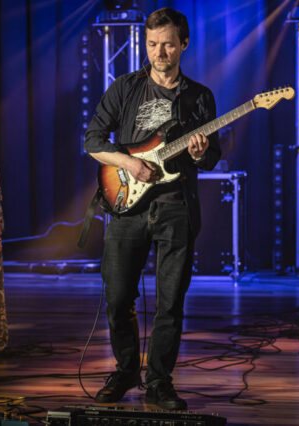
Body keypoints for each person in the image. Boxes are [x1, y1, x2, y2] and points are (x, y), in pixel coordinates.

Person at [84, 7, 221, 410]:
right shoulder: (125, 87)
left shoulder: (199, 97)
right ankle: (126, 370)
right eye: (152, 44)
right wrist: (128, 163)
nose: (159, 53)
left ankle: (159, 381)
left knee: (170, 302)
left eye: (168, 45)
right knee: (117, 297)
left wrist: (199, 153)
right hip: (127, 205)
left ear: (184, 44)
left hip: (175, 207)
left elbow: (212, 157)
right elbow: (93, 140)